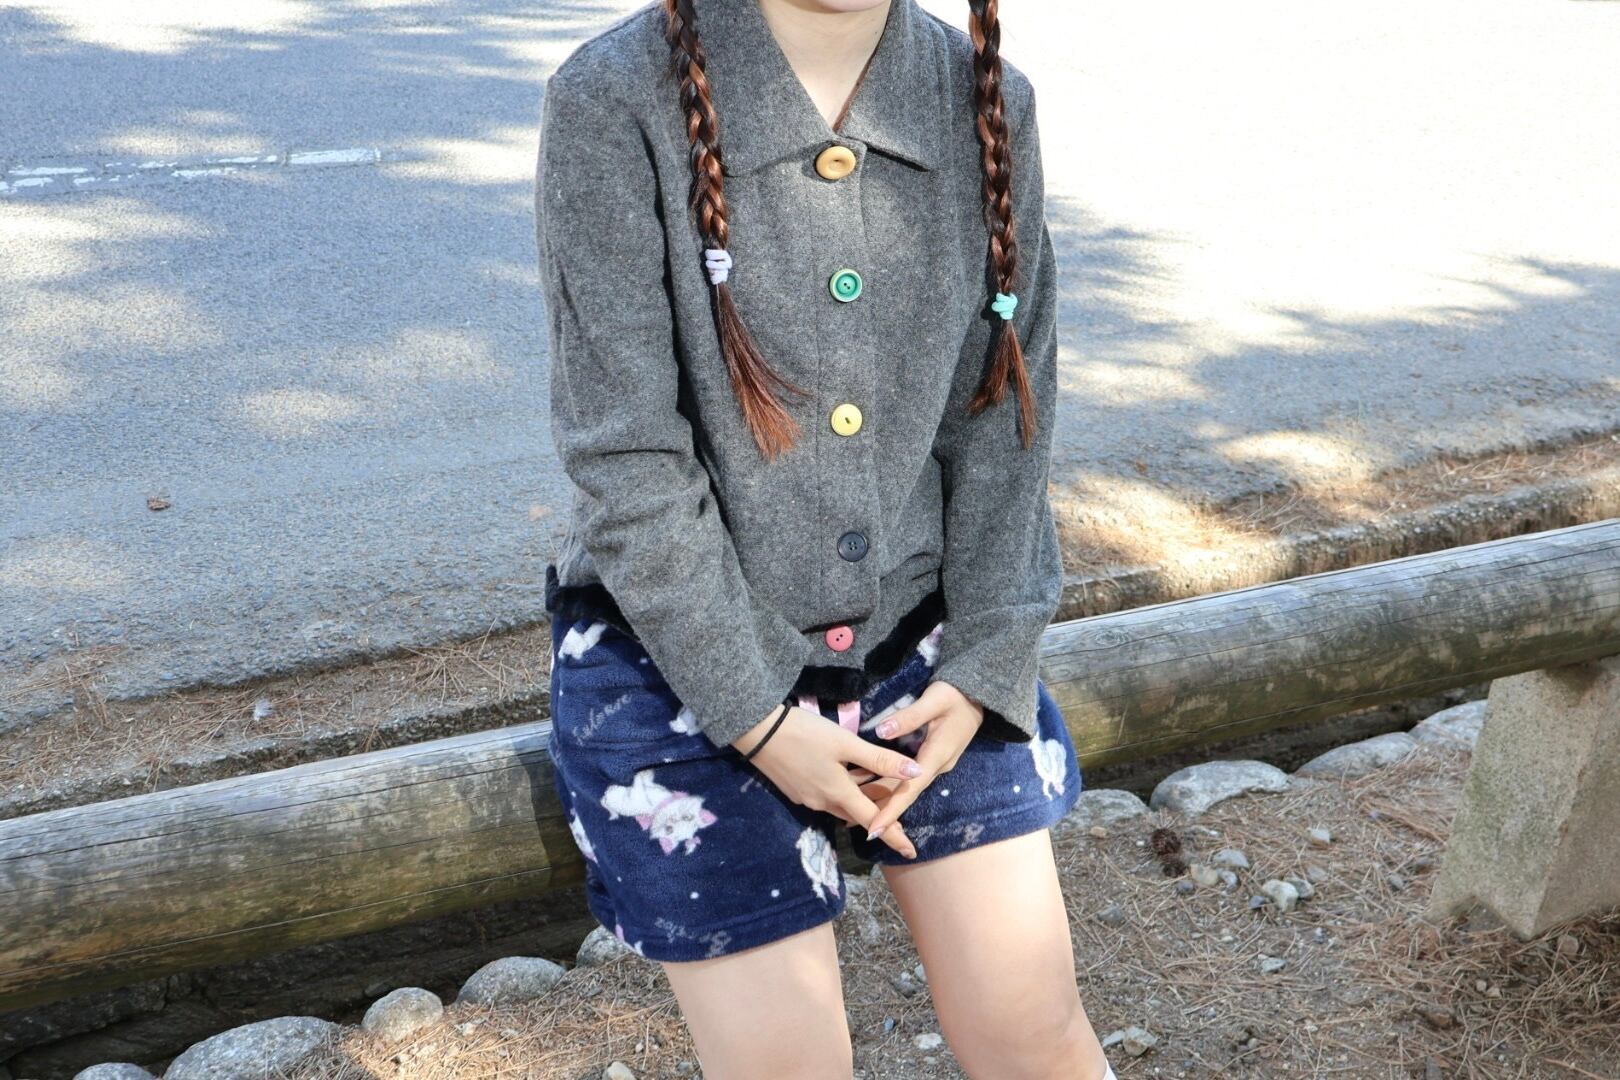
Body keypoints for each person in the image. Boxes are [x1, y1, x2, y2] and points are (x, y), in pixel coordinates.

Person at [535, 0, 1116, 1076]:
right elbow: (625, 458)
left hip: (928, 643)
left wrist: (990, 656)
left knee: (1032, 1025)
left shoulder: (985, 96)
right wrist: (757, 718)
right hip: (680, 652)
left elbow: (1004, 415)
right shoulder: (613, 97)